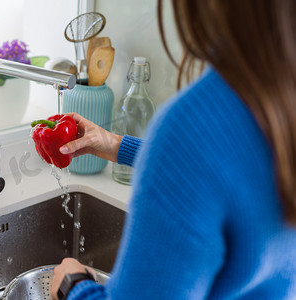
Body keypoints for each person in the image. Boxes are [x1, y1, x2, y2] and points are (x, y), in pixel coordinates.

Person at [50, 0, 296, 299]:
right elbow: (229, 175)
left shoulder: (194, 125)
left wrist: (73, 286)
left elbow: (203, 160)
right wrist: (118, 146)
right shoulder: (282, 94)